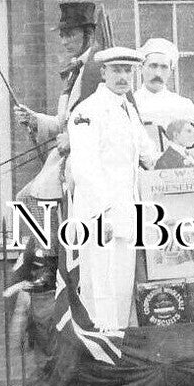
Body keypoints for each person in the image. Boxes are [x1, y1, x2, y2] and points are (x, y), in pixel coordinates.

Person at [13, 2, 103, 291]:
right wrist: (35, 119)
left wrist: (75, 139)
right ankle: (48, 261)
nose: (64, 41)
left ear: (88, 34)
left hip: (87, 157)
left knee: (37, 197)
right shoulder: (75, 70)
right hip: (66, 153)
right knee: (26, 197)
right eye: (62, 35)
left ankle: (51, 267)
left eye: (70, 34)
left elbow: (100, 119)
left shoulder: (96, 70)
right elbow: (65, 121)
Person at [66, 47, 151, 331]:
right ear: (103, 73)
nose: (123, 76)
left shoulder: (127, 109)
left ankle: (116, 352)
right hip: (99, 216)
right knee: (102, 293)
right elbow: (85, 168)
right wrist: (104, 215)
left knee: (122, 290)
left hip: (126, 214)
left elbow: (149, 155)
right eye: (116, 70)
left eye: (128, 71)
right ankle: (103, 358)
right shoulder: (87, 111)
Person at [132, 38, 193, 118]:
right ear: (141, 68)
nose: (158, 73)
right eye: (153, 66)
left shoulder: (182, 105)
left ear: (170, 71)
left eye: (164, 67)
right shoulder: (130, 105)